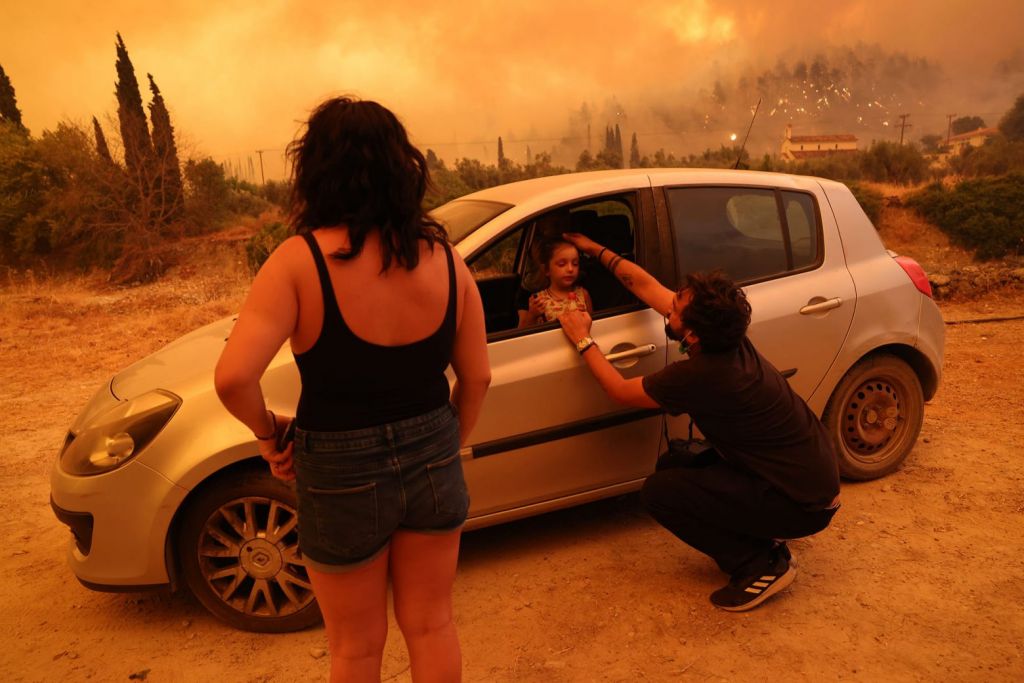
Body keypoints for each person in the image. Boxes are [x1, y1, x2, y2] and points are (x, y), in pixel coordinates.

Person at [214, 96, 491, 681]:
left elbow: (234, 377)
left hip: (339, 469)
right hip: (433, 455)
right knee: (433, 624)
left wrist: (269, 436)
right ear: (403, 167)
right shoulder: (446, 258)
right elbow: (479, 376)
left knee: (357, 648)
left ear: (313, 171)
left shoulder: (297, 262)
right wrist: (444, 443)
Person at [556, 232, 840, 612]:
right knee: (675, 465)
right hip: (805, 481)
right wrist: (595, 249)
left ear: (691, 333)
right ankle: (761, 537)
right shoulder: (728, 337)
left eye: (673, 310)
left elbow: (620, 392)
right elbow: (646, 286)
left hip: (802, 504)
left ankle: (758, 564)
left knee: (660, 493)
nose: (667, 308)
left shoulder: (706, 373)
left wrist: (582, 339)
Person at [517, 238, 592, 328]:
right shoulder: (539, 300)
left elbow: (593, 325)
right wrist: (532, 315)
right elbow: (524, 333)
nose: (570, 269)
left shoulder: (583, 295)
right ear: (547, 270)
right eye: (561, 264)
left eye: (575, 264)